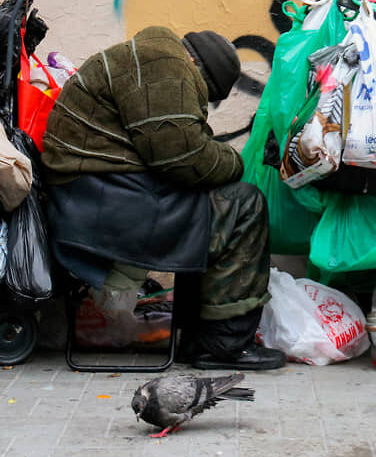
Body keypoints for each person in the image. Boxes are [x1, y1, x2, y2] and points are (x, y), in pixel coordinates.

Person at [40, 26, 286, 370]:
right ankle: (224, 344)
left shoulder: (149, 59)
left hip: (92, 200)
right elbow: (185, 159)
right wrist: (236, 161)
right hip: (100, 207)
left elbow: (179, 151)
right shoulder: (165, 66)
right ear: (198, 72)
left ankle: (200, 337)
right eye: (206, 96)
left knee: (217, 199)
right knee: (244, 203)